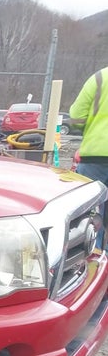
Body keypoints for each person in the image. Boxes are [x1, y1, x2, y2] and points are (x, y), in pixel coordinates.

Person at [69, 66, 108, 249]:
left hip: (94, 155)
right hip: (94, 156)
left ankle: (93, 259)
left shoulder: (100, 77)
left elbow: (76, 116)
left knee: (88, 216)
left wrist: (90, 131)